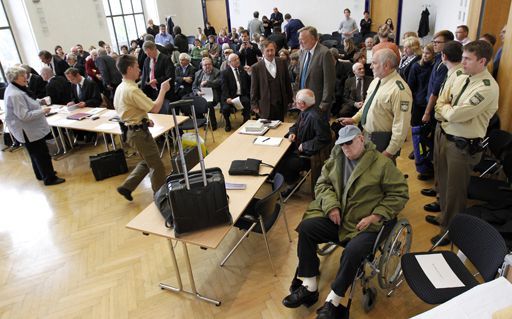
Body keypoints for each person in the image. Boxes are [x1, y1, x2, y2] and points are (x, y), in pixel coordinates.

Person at [282, 125, 408, 319]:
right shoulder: (336, 159)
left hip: (366, 223)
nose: (346, 149)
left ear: (361, 139)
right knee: (307, 228)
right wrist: (332, 206)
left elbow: (399, 193)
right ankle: (309, 285)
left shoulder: (382, 164)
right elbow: (322, 184)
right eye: (342, 145)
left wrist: (375, 216)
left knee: (353, 251)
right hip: (340, 217)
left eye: (349, 143)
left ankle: (334, 299)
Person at [426, 41, 499, 246]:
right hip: (447, 135)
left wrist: (447, 109)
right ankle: (444, 217)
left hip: (462, 144)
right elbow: (442, 101)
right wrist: (447, 108)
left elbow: (458, 113)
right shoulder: (463, 77)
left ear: (482, 61)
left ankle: (450, 231)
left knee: (455, 191)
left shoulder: (487, 87)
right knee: (443, 181)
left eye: (467, 58)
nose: (462, 61)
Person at [114, 54, 171, 201]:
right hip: (138, 133)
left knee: (148, 160)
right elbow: (155, 108)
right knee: (157, 165)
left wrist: (144, 120)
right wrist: (163, 90)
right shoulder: (131, 90)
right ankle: (161, 197)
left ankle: (127, 186)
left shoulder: (121, 87)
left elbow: (127, 109)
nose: (140, 69)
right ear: (129, 68)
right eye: (137, 67)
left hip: (133, 130)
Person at [339, 49, 412, 160]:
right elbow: (367, 105)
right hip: (367, 135)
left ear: (386, 65)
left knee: (381, 175)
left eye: (374, 63)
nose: (371, 67)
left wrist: (389, 151)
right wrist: (354, 119)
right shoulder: (376, 81)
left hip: (383, 141)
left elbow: (401, 126)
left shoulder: (399, 90)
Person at [4, 66, 65, 186]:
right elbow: (24, 115)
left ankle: (41, 174)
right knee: (41, 154)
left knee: (35, 154)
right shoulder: (15, 94)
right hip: (27, 130)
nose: (25, 77)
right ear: (15, 78)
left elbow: (28, 102)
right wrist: (43, 111)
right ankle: (49, 178)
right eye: (22, 75)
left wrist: (39, 102)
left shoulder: (16, 89)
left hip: (29, 129)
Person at [276, 89, 331, 194]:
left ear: (303, 104)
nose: (295, 103)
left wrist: (305, 146)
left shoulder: (315, 116)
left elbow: (324, 138)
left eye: (296, 101)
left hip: (309, 156)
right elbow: (296, 126)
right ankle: (290, 178)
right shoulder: (305, 111)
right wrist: (293, 132)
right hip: (299, 148)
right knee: (277, 154)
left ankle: (293, 183)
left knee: (282, 163)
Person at [406, 43, 436, 176]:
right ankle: (417, 149)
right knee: (416, 129)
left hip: (430, 104)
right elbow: (410, 86)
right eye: (423, 53)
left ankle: (426, 152)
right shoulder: (416, 66)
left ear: (433, 55)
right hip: (418, 104)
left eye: (428, 53)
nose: (425, 55)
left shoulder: (435, 67)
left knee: (427, 131)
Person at [295, 26, 335, 120]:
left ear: (312, 38)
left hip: (318, 103)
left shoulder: (325, 53)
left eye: (302, 40)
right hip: (303, 103)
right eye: (299, 39)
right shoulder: (302, 53)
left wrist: (324, 104)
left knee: (319, 132)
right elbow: (299, 77)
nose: (300, 42)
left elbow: (329, 82)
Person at [250, 41, 293, 121]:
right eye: (267, 50)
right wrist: (254, 105)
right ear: (262, 51)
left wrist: (290, 99)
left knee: (280, 126)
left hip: (280, 103)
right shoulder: (256, 67)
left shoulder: (282, 62)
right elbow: (254, 88)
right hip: (265, 104)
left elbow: (287, 82)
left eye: (272, 50)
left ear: (275, 50)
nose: (270, 53)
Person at [220, 53, 251, 131]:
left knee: (247, 102)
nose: (237, 61)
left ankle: (245, 121)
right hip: (230, 96)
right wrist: (227, 98)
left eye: (238, 59)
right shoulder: (225, 73)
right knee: (225, 108)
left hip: (241, 95)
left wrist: (249, 73)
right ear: (230, 62)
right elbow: (224, 87)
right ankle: (227, 123)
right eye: (235, 60)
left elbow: (249, 82)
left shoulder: (243, 69)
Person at [192, 57, 221, 130]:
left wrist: (207, 82)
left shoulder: (217, 72)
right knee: (194, 103)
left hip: (212, 94)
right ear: (202, 66)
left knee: (208, 104)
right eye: (205, 65)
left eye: (209, 64)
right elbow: (194, 86)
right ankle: (202, 121)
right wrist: (198, 92)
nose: (207, 66)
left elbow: (218, 83)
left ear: (212, 64)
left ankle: (213, 124)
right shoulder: (198, 73)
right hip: (201, 94)